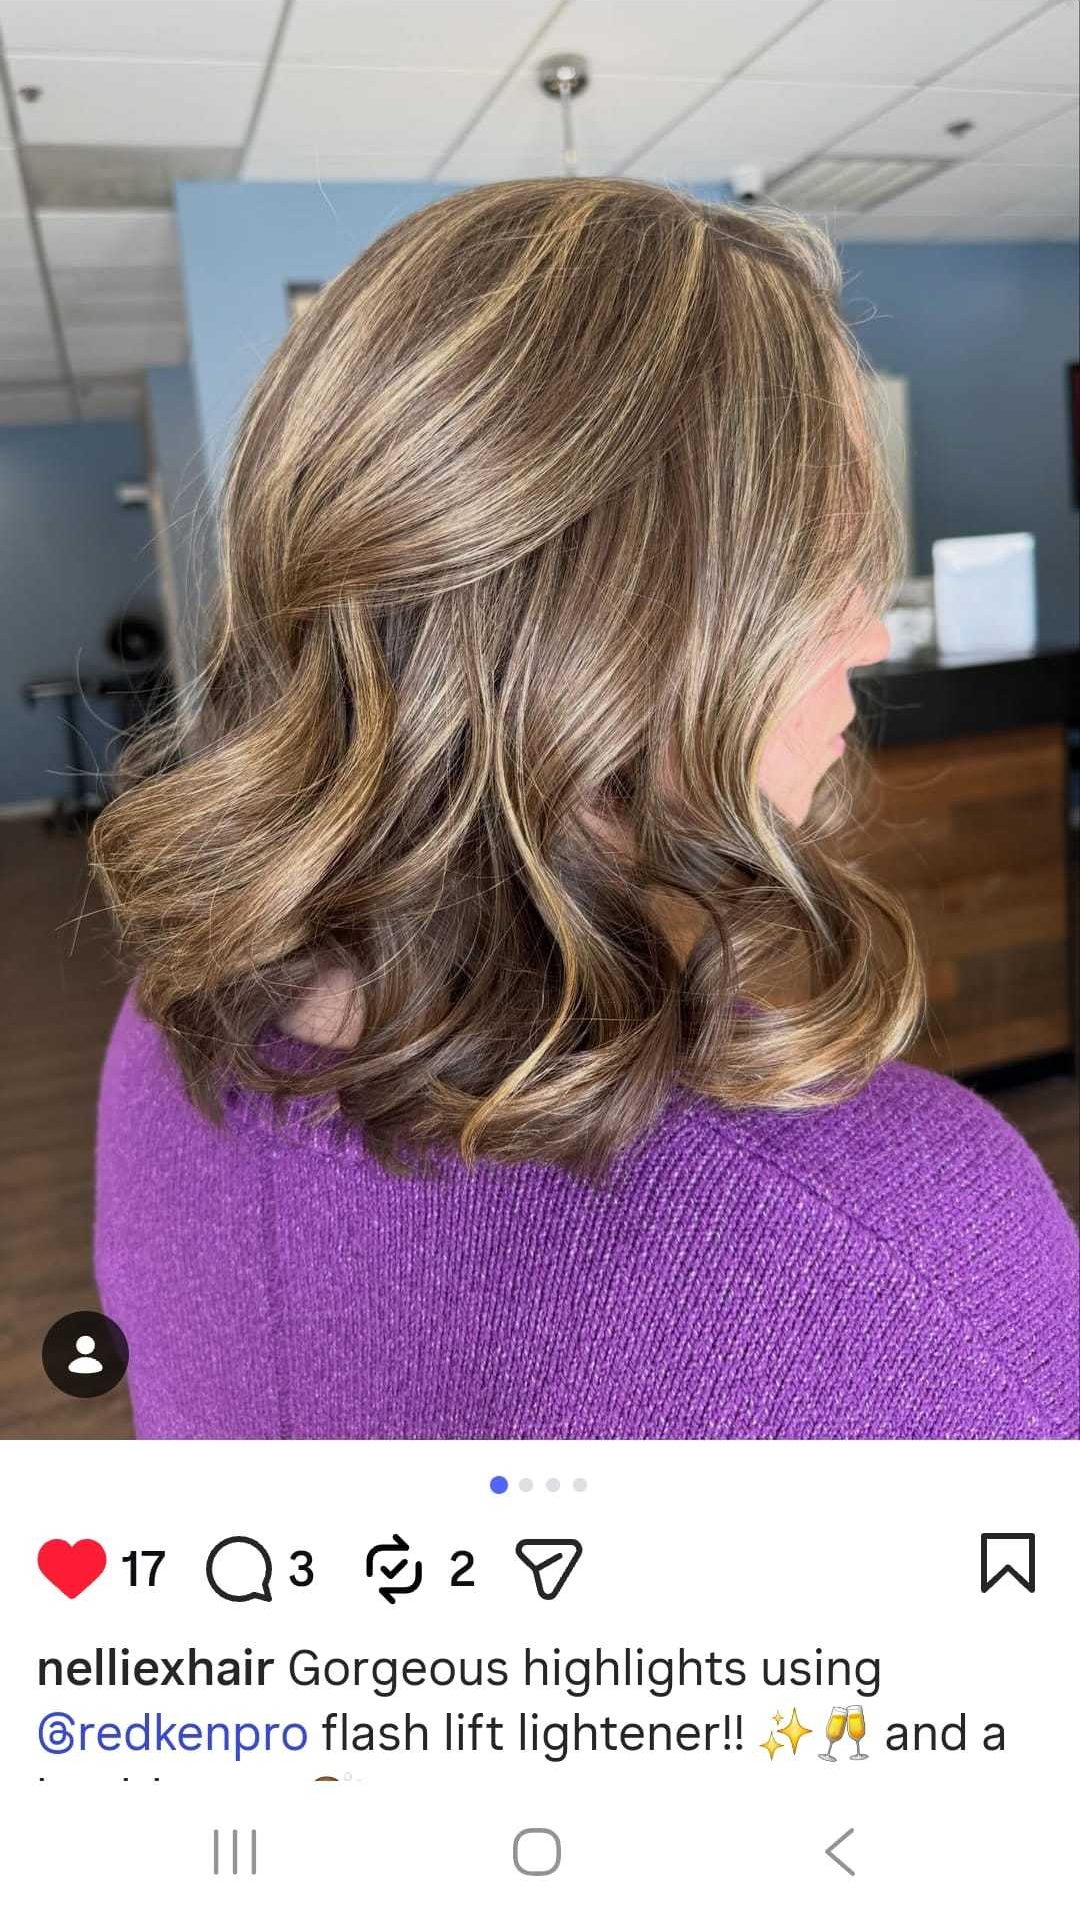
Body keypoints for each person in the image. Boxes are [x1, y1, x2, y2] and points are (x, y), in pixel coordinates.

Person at [92, 180, 1079, 1440]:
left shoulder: (175, 1036)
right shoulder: (900, 1239)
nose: (873, 635)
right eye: (829, 567)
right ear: (622, 637)